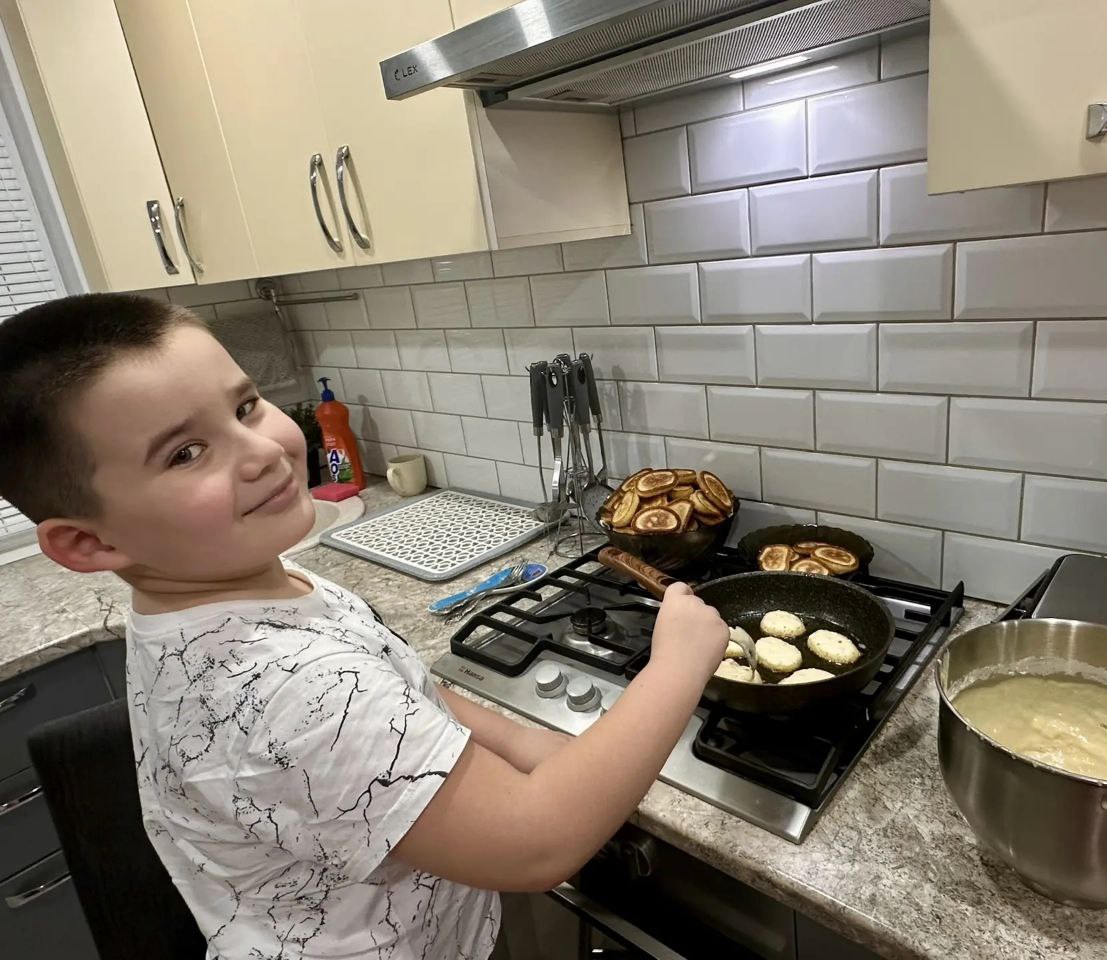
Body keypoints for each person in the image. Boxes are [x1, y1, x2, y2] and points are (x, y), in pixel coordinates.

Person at [0, 293, 730, 959]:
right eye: (185, 453)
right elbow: (537, 844)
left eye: (245, 407)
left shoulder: (237, 583)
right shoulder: (283, 685)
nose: (263, 452)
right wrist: (676, 665)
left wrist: (531, 747)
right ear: (89, 543)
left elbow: (402, 688)